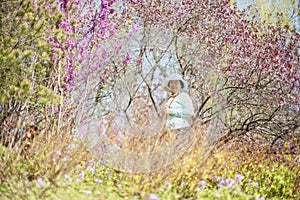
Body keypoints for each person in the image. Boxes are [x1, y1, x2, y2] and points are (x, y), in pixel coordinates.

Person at [161, 73, 194, 140]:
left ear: (180, 85)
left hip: (181, 128)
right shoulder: (170, 98)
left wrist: (171, 112)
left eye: (176, 82)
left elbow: (190, 112)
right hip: (170, 130)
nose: (174, 85)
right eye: (172, 83)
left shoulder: (183, 96)